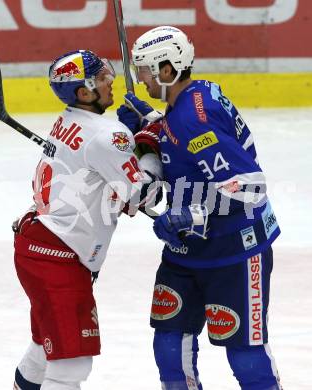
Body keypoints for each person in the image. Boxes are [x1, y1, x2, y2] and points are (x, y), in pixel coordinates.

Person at [117, 26, 282, 389]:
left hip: (235, 250)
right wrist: (150, 125)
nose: (140, 80)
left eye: (144, 71)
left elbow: (251, 186)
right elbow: (181, 143)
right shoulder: (193, 96)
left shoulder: (194, 120)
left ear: (167, 70)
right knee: (169, 345)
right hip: (186, 249)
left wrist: (190, 213)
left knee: (245, 355)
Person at [13, 49, 162, 390]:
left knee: (43, 348)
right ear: (83, 92)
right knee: (70, 367)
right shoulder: (108, 136)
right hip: (60, 259)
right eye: (103, 79)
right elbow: (141, 195)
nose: (112, 82)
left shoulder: (69, 120)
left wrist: (126, 134)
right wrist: (147, 143)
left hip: (37, 246)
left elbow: (94, 158)